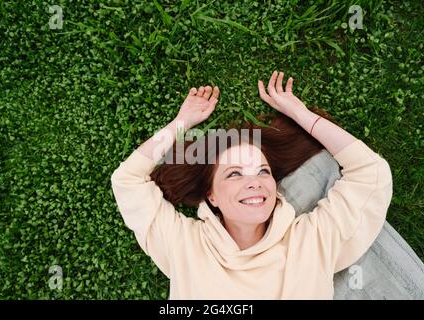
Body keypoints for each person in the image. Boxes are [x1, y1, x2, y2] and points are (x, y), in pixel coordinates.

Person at [111, 70, 394, 299]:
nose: (254, 183)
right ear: (212, 196)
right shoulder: (184, 244)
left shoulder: (311, 239)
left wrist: (301, 114)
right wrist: (181, 123)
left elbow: (370, 172)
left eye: (262, 171)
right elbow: (126, 180)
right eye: (234, 174)